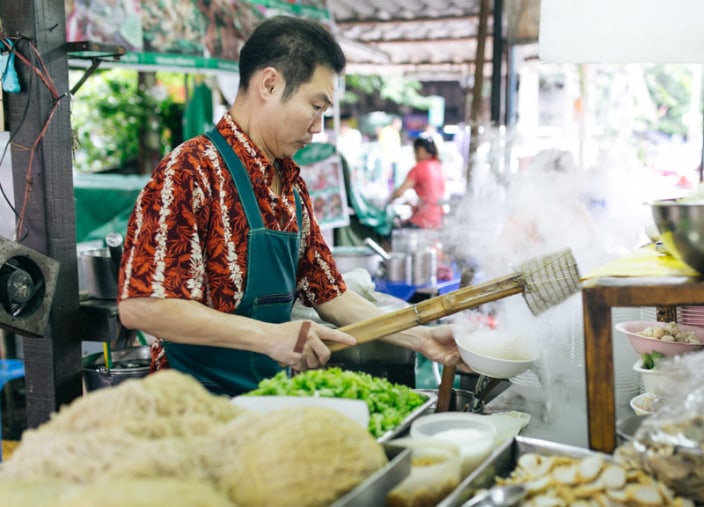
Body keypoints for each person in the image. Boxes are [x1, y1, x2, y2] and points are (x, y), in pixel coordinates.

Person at [116, 16, 462, 397]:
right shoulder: (191, 171)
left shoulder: (290, 189)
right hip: (193, 408)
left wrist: (424, 339)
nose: (318, 127)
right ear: (269, 84)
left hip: (268, 404)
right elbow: (143, 306)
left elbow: (333, 297)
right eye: (316, 106)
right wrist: (268, 337)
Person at [387, 137, 446, 229]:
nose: (415, 156)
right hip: (438, 218)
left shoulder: (418, 168)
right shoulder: (437, 166)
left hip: (425, 219)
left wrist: (388, 200)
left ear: (420, 150)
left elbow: (399, 192)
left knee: (392, 232)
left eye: (415, 152)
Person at [378, 117, 403, 191]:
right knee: (387, 177)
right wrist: (387, 160)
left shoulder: (395, 132)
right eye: (399, 124)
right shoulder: (386, 131)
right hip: (388, 158)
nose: (400, 126)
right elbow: (383, 146)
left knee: (393, 177)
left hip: (394, 158)